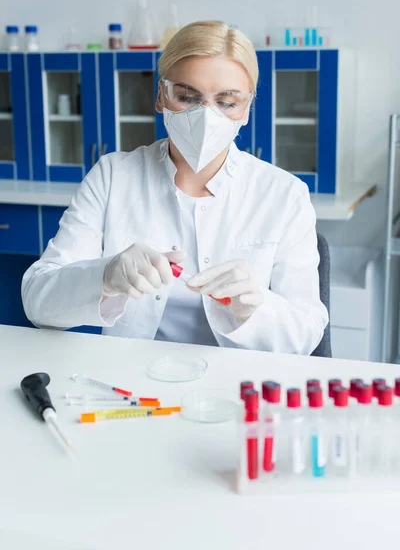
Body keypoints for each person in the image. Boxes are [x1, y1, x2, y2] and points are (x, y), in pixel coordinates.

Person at [22, 20, 328, 354]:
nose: (205, 117)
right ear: (161, 97)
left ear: (247, 110)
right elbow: (38, 304)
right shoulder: (113, 176)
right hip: (135, 379)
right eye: (186, 97)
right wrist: (104, 277)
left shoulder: (283, 195)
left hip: (241, 384)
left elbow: (306, 334)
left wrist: (256, 307)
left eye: (227, 102)